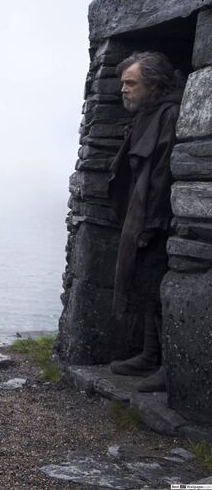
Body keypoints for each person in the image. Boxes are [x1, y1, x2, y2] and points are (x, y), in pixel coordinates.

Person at [108, 51, 184, 392]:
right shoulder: (145, 115)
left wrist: (152, 225)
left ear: (152, 85)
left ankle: (170, 365)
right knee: (144, 287)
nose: (124, 89)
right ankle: (149, 356)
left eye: (131, 83)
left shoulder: (168, 116)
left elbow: (164, 174)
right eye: (123, 83)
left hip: (157, 219)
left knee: (158, 287)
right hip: (139, 214)